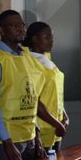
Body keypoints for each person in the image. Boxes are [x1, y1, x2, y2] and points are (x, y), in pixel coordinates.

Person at [0, 10, 60, 160]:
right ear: (2, 30)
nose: (20, 29)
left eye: (21, 25)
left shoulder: (27, 56)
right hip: (6, 141)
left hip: (29, 137)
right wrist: (7, 142)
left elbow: (32, 97)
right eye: (14, 26)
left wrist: (36, 135)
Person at [23, 21, 69, 151]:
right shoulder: (30, 61)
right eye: (47, 37)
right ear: (35, 39)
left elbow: (55, 93)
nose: (51, 41)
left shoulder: (47, 59)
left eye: (52, 37)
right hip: (42, 127)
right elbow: (35, 100)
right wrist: (57, 123)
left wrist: (65, 117)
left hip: (56, 126)